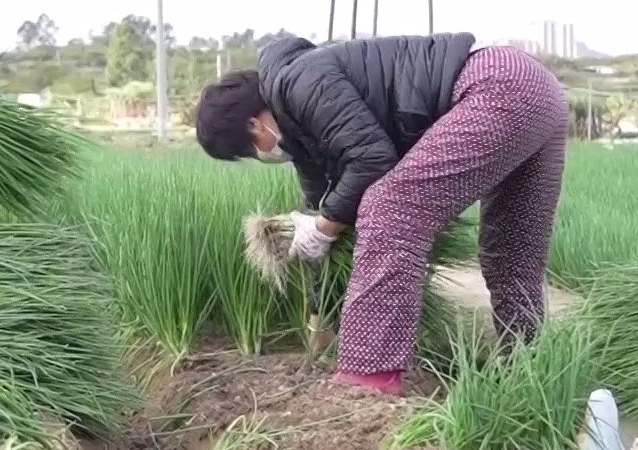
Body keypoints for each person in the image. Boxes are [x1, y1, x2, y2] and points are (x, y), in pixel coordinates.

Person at [193, 33, 569, 396]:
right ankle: (527, 377)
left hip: (497, 84)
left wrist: (323, 227)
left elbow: (373, 162)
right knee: (512, 255)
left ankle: (368, 380)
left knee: (390, 207)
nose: (260, 157)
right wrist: (319, 316)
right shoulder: (305, 143)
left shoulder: (298, 83)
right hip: (538, 93)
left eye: (249, 150)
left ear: (253, 125)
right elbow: (328, 232)